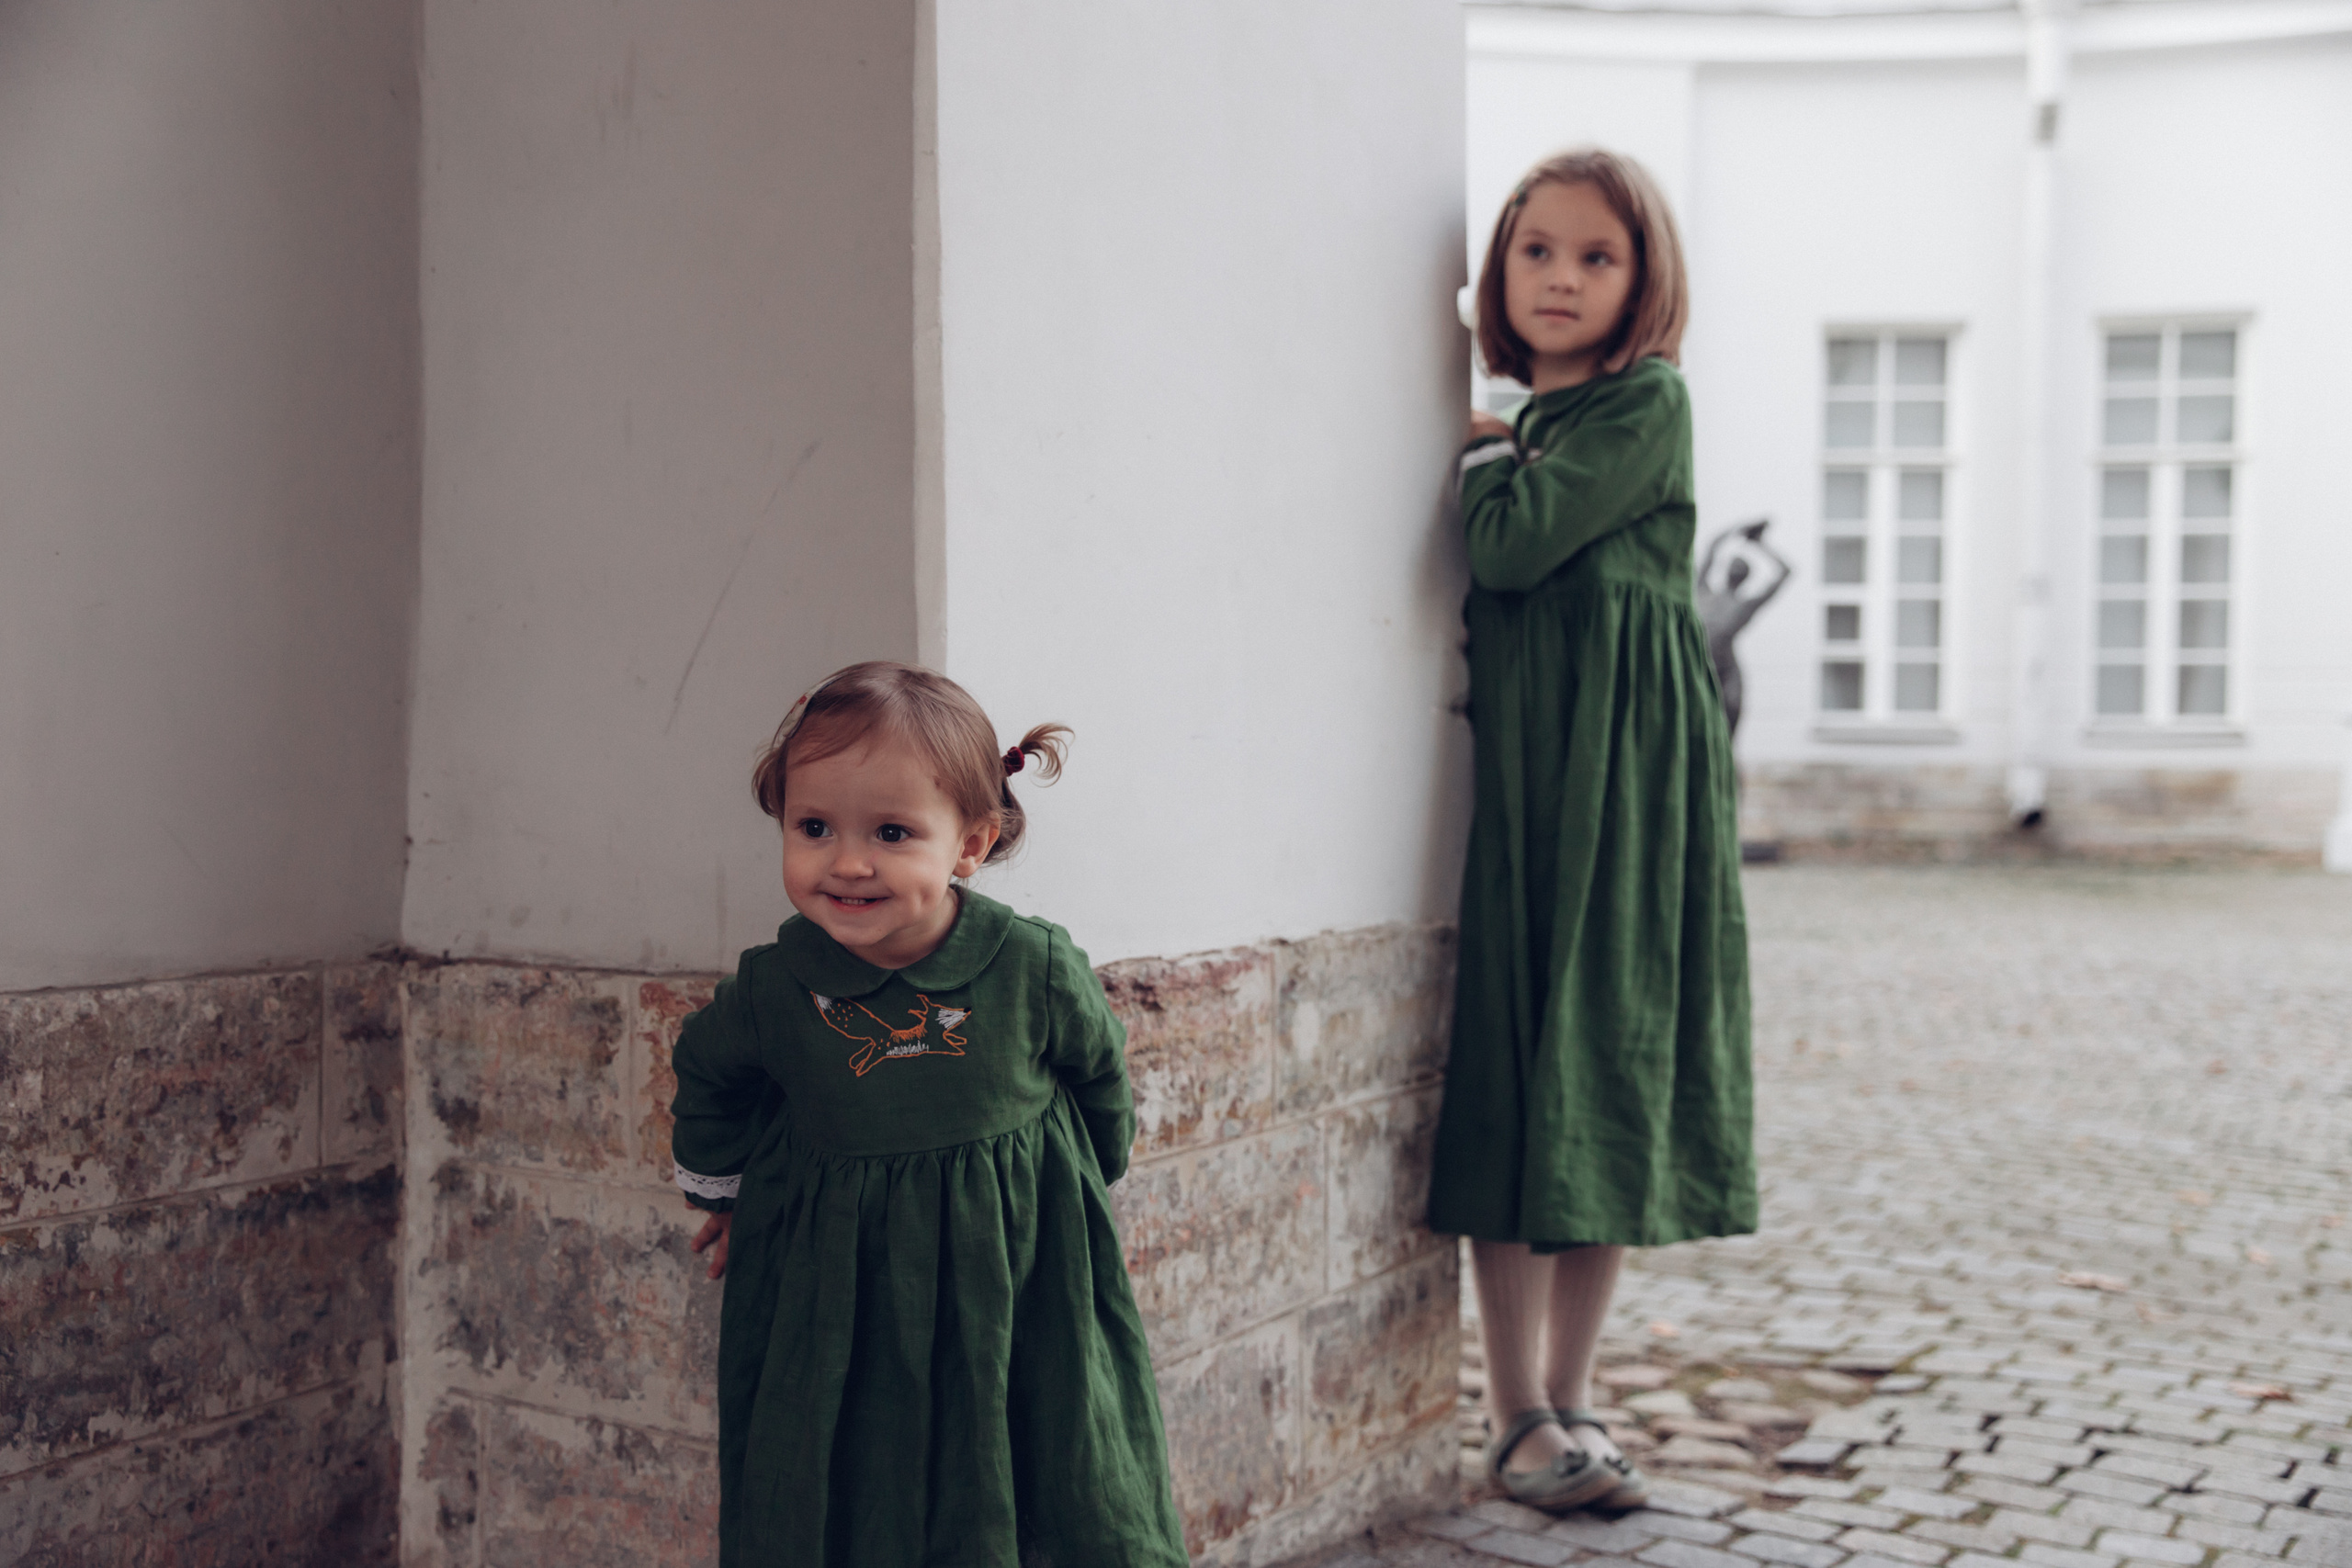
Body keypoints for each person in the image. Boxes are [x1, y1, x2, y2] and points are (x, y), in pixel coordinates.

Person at [668, 660, 1188, 1568]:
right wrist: (722, 1192)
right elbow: (710, 1072)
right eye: (813, 827)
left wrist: (1086, 1192)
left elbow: (1100, 1071)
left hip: (1020, 1281)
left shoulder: (1031, 968)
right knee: (856, 1479)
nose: (848, 861)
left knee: (1042, 1468)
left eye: (892, 832)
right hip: (842, 1293)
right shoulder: (776, 986)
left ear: (969, 846)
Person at [1429, 149, 1758, 1514]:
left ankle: (1574, 1388)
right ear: (1498, 275)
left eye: (1596, 257)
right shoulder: (1526, 424)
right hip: (1533, 791)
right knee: (1514, 1060)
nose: (1561, 278)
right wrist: (1501, 444)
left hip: (1632, 787)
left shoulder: (1643, 405)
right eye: (1536, 252)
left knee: (1607, 1054)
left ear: (1643, 282)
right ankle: (1515, 1411)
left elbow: (1508, 546)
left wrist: (1488, 455)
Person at [1694, 518, 1793, 739]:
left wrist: (1760, 544)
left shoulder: (1744, 605)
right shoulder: (1703, 591)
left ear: (1746, 576)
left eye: (1742, 566)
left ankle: (1728, 768)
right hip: (1697, 666)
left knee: (1729, 725)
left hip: (1726, 670)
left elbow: (1786, 572)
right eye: (1734, 563)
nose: (1736, 567)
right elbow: (1712, 545)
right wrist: (1740, 528)